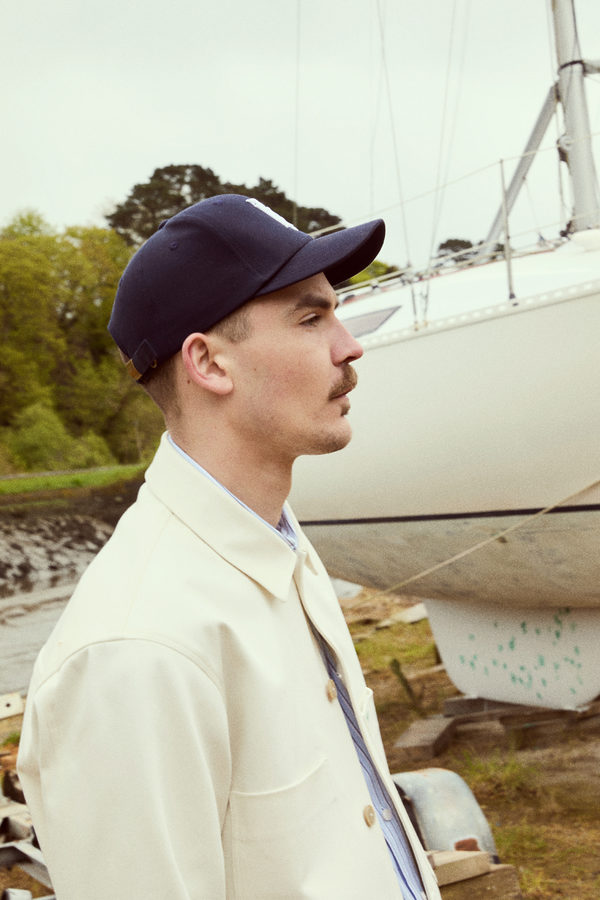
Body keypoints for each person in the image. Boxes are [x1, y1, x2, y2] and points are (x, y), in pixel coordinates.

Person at [18, 195, 440, 899]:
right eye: (312, 318)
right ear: (209, 363)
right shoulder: (135, 652)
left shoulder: (280, 547)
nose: (350, 344)